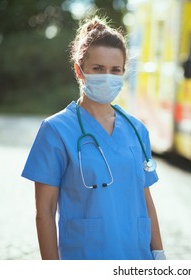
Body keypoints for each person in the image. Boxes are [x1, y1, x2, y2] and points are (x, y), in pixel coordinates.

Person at [21, 16, 165, 260]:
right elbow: (44, 210)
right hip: (87, 256)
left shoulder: (137, 130)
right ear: (80, 71)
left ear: (123, 73)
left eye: (115, 70)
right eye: (98, 69)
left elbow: (145, 198)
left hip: (137, 256)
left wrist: (159, 254)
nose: (107, 76)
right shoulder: (56, 130)